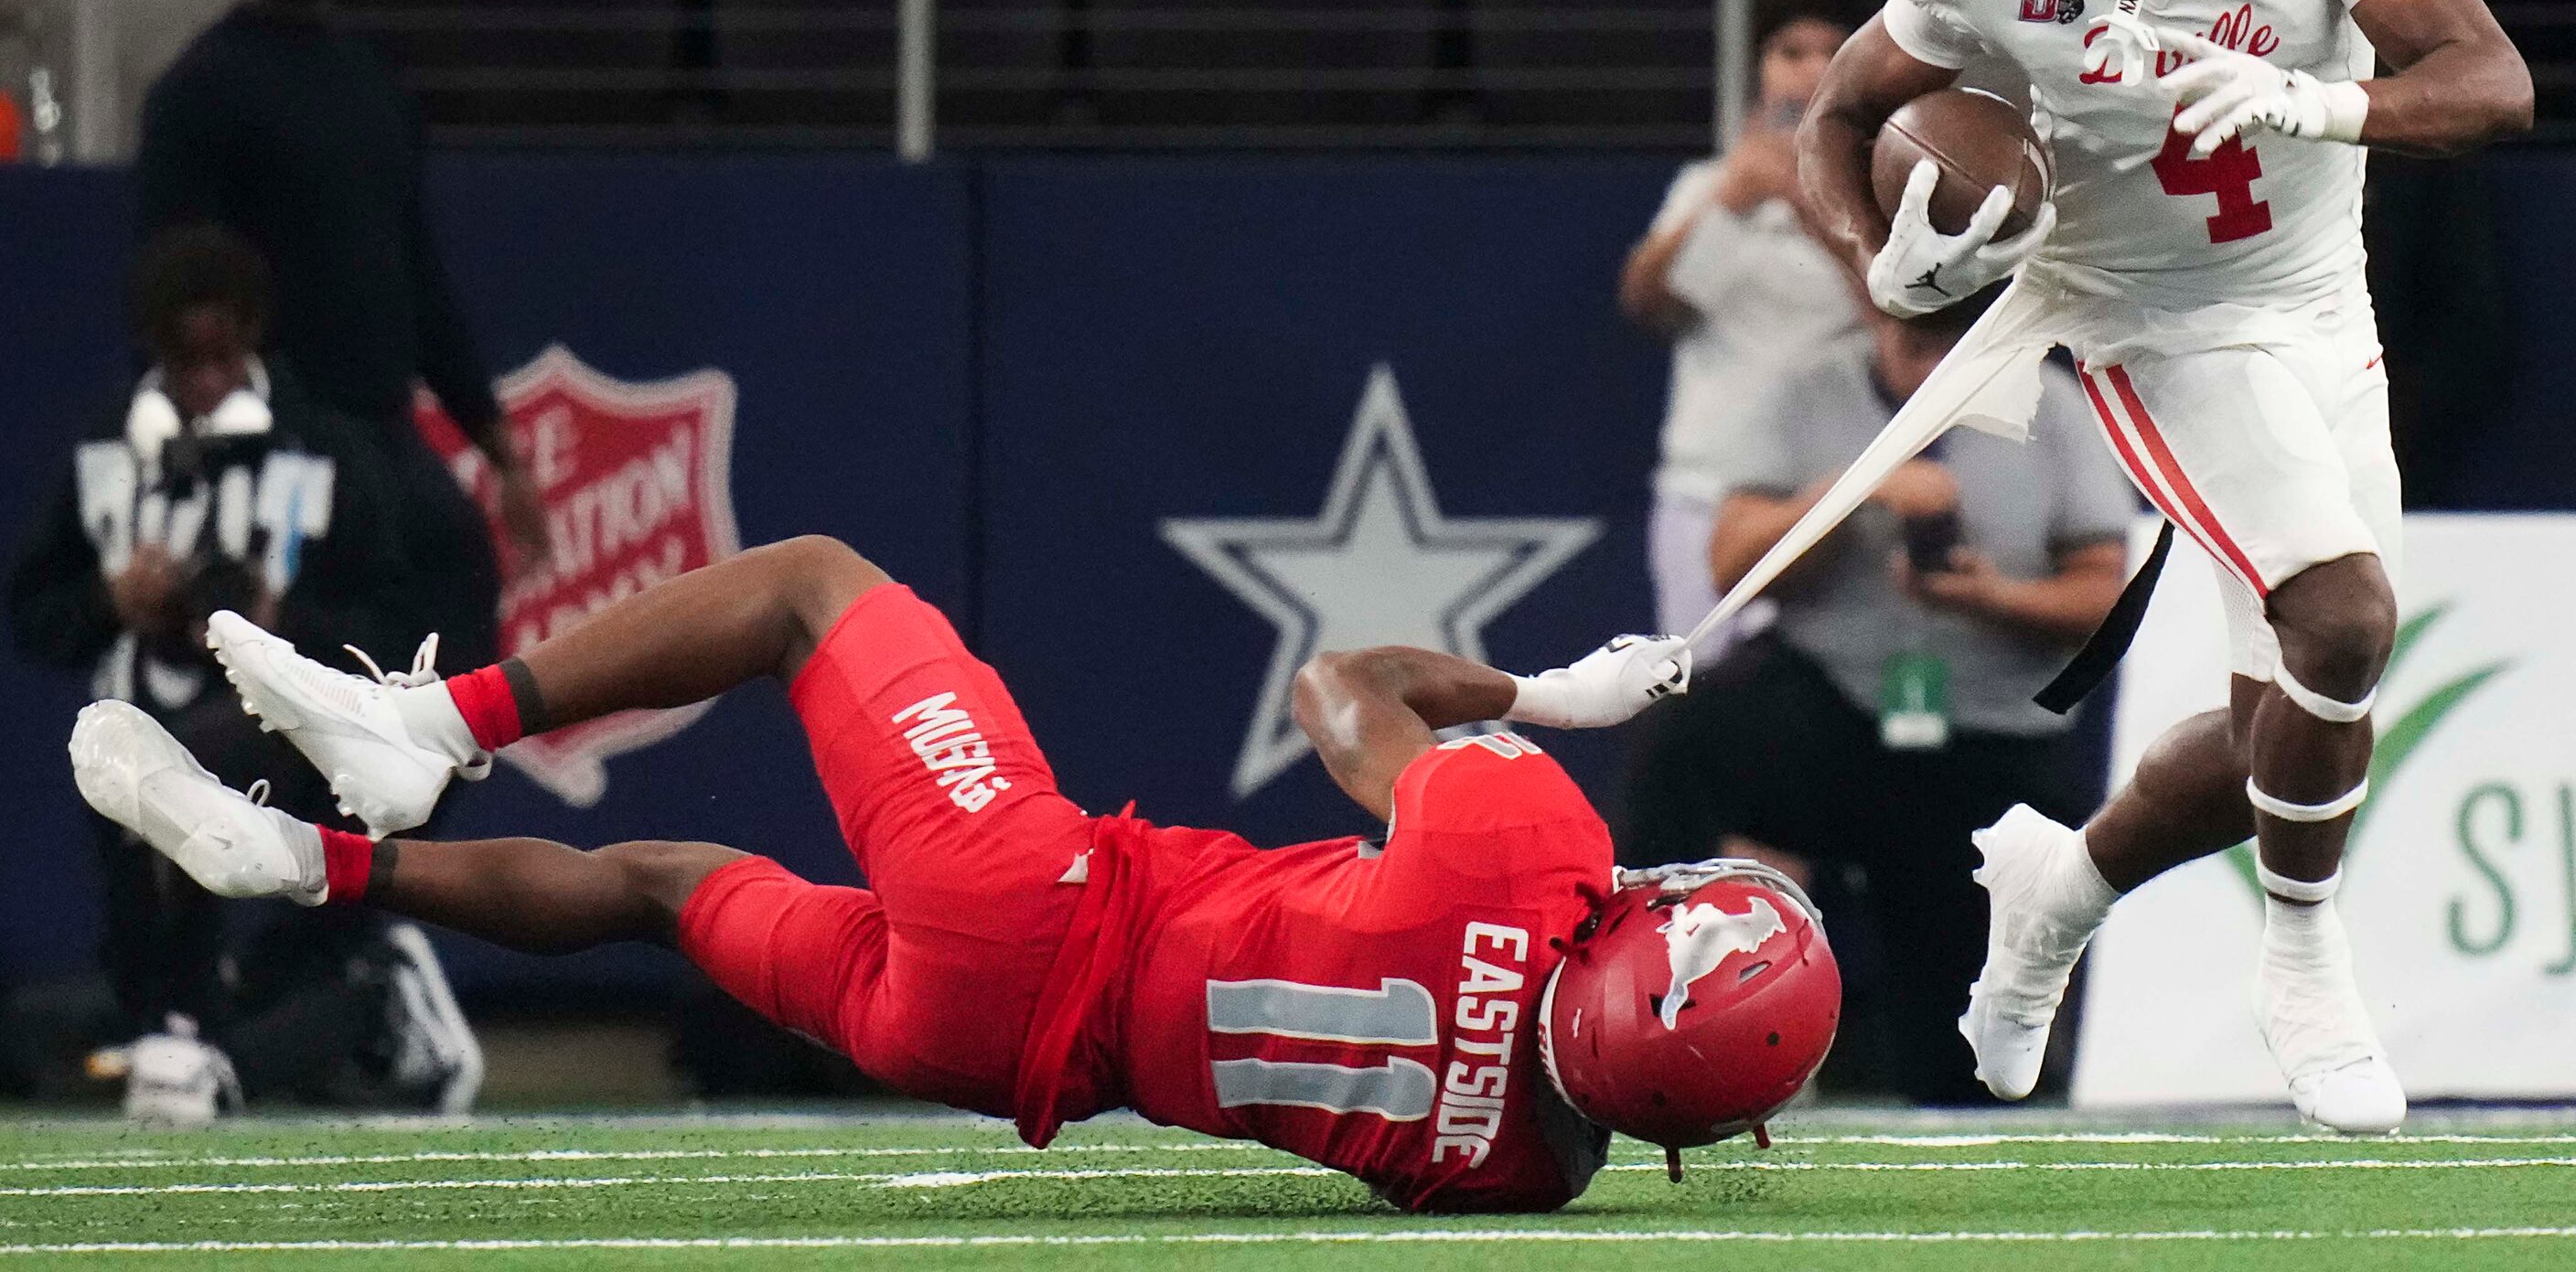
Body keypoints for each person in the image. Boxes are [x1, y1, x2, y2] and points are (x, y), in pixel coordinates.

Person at [69, 536, 1839, 1207]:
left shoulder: (1525, 846)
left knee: (813, 589)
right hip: (992, 1052)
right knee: (665, 882)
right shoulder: (1532, 1168)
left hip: (1039, 896)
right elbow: (1454, 1118)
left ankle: (434, 729)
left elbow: (1340, 688)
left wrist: (1551, 694)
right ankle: (303, 856)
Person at [1793, 0, 2532, 1133]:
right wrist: (1888, 263)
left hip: (2318, 300)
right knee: (2340, 613)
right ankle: (2306, 951)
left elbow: (2490, 81)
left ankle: (2061, 884)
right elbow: (1840, 117)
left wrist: (2329, 101)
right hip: (2138, 314)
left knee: (2303, 706)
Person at [6, 224, 480, 1115]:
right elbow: (33, 611)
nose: (209, 383)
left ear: (254, 342)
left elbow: (400, 626)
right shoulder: (107, 451)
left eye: (224, 357)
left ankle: (301, 1018)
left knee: (214, 843)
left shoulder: (322, 450)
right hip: (139, 742)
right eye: (187, 363)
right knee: (170, 965)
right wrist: (112, 598)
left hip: (287, 748)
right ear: (154, 353)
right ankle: (274, 1025)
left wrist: (282, 618)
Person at [1619, 290, 2132, 1103]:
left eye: (1949, 347)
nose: (1928, 366)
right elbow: (1730, 563)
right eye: (1913, 342)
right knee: (1688, 736)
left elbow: (2107, 598)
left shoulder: (2055, 409)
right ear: (1875, 319)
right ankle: (1629, 998)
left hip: (1987, 733)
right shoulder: (1810, 390)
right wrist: (1848, 495)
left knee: (1965, 1056)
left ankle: (1990, 1076)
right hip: (1837, 699)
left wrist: (1991, 596)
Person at [133, 0, 547, 669]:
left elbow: (418, 276)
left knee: (456, 595)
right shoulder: (198, 91)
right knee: (308, 667)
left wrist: (500, 450)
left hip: (385, 432)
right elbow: (172, 296)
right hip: (277, 436)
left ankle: (389, 805)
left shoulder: (374, 79)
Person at [1618, 0, 1876, 638]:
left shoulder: (1886, 195)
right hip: (1708, 496)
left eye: (1833, 52)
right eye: (1792, 53)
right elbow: (1652, 307)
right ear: (1761, 68)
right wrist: (1734, 197)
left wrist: (1810, 200)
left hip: (1841, 503)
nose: (1812, 71)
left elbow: (1907, 323)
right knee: (1700, 705)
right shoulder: (1706, 186)